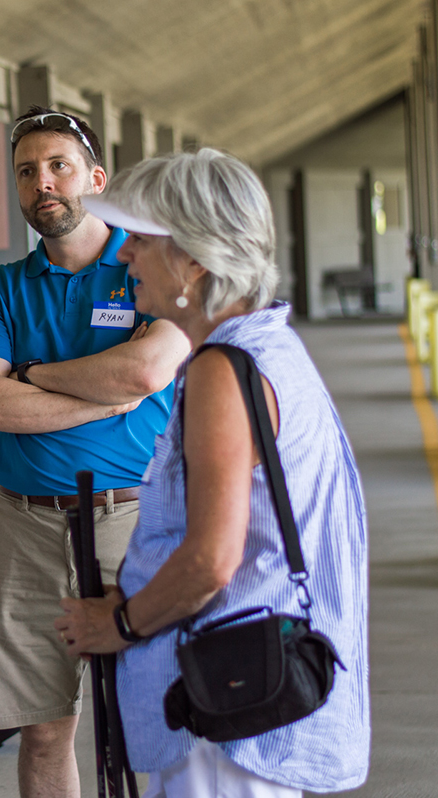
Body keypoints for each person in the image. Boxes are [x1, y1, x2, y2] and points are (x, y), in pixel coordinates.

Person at [55, 149, 369, 796]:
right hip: (252, 699)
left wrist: (114, 625)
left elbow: (210, 561)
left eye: (141, 240)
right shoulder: (269, 345)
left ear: (193, 263)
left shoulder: (222, 373)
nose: (122, 255)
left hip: (225, 719)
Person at [0, 106, 191, 798]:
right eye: (27, 171)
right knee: (44, 730)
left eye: (58, 165)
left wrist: (29, 372)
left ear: (95, 176)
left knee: (161, 717)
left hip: (134, 521)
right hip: (22, 528)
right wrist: (101, 388)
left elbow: (144, 373)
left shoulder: (149, 264)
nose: (43, 183)